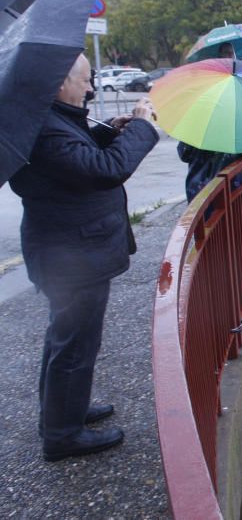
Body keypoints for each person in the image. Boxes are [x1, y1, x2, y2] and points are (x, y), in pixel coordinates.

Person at [8, 54, 158, 462]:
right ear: (61, 83)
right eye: (86, 80)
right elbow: (104, 170)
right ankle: (62, 434)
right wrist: (142, 126)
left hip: (72, 251)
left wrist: (115, 131)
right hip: (74, 256)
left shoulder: (51, 117)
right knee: (74, 344)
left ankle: (62, 412)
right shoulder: (46, 129)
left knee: (67, 340)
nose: (91, 87)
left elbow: (82, 157)